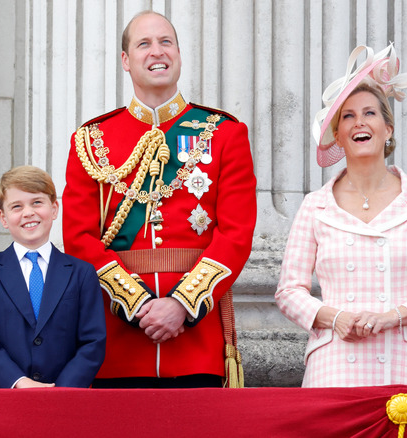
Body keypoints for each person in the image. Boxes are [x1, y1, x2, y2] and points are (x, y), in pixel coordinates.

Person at [62, 11, 256, 388]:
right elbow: (79, 239)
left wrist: (181, 305)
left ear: (179, 54)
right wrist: (139, 306)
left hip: (195, 342)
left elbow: (235, 234)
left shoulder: (224, 134)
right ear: (125, 60)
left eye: (166, 42)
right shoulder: (91, 140)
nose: (157, 52)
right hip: (118, 345)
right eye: (144, 44)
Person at [276, 44, 407, 387]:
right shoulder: (315, 205)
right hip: (334, 366)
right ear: (338, 135)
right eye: (347, 116)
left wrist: (395, 317)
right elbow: (289, 291)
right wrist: (335, 318)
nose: (359, 122)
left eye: (369, 113)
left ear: (387, 129)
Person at [0, 166, 106, 388]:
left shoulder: (82, 272)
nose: (28, 212)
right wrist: (19, 382)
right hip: (2, 396)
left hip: (63, 398)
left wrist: (62, 389)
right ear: (3, 217)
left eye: (37, 202)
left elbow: (93, 341)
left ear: (54, 208)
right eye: (16, 206)